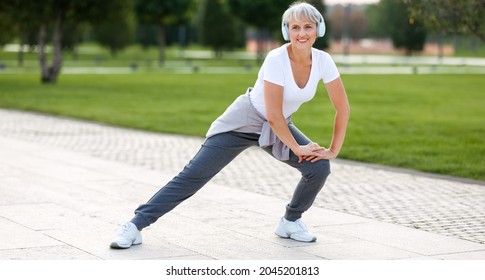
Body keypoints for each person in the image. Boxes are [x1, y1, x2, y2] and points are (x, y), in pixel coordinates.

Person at [110, 1, 350, 249]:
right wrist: (298, 149)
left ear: (318, 29)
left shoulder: (323, 61)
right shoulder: (276, 58)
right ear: (286, 30)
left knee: (319, 168)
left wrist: (333, 150)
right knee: (193, 176)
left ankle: (290, 221)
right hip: (244, 121)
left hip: (277, 126)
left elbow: (342, 108)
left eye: (308, 27)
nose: (301, 33)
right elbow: (273, 115)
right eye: (295, 27)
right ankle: (134, 225)